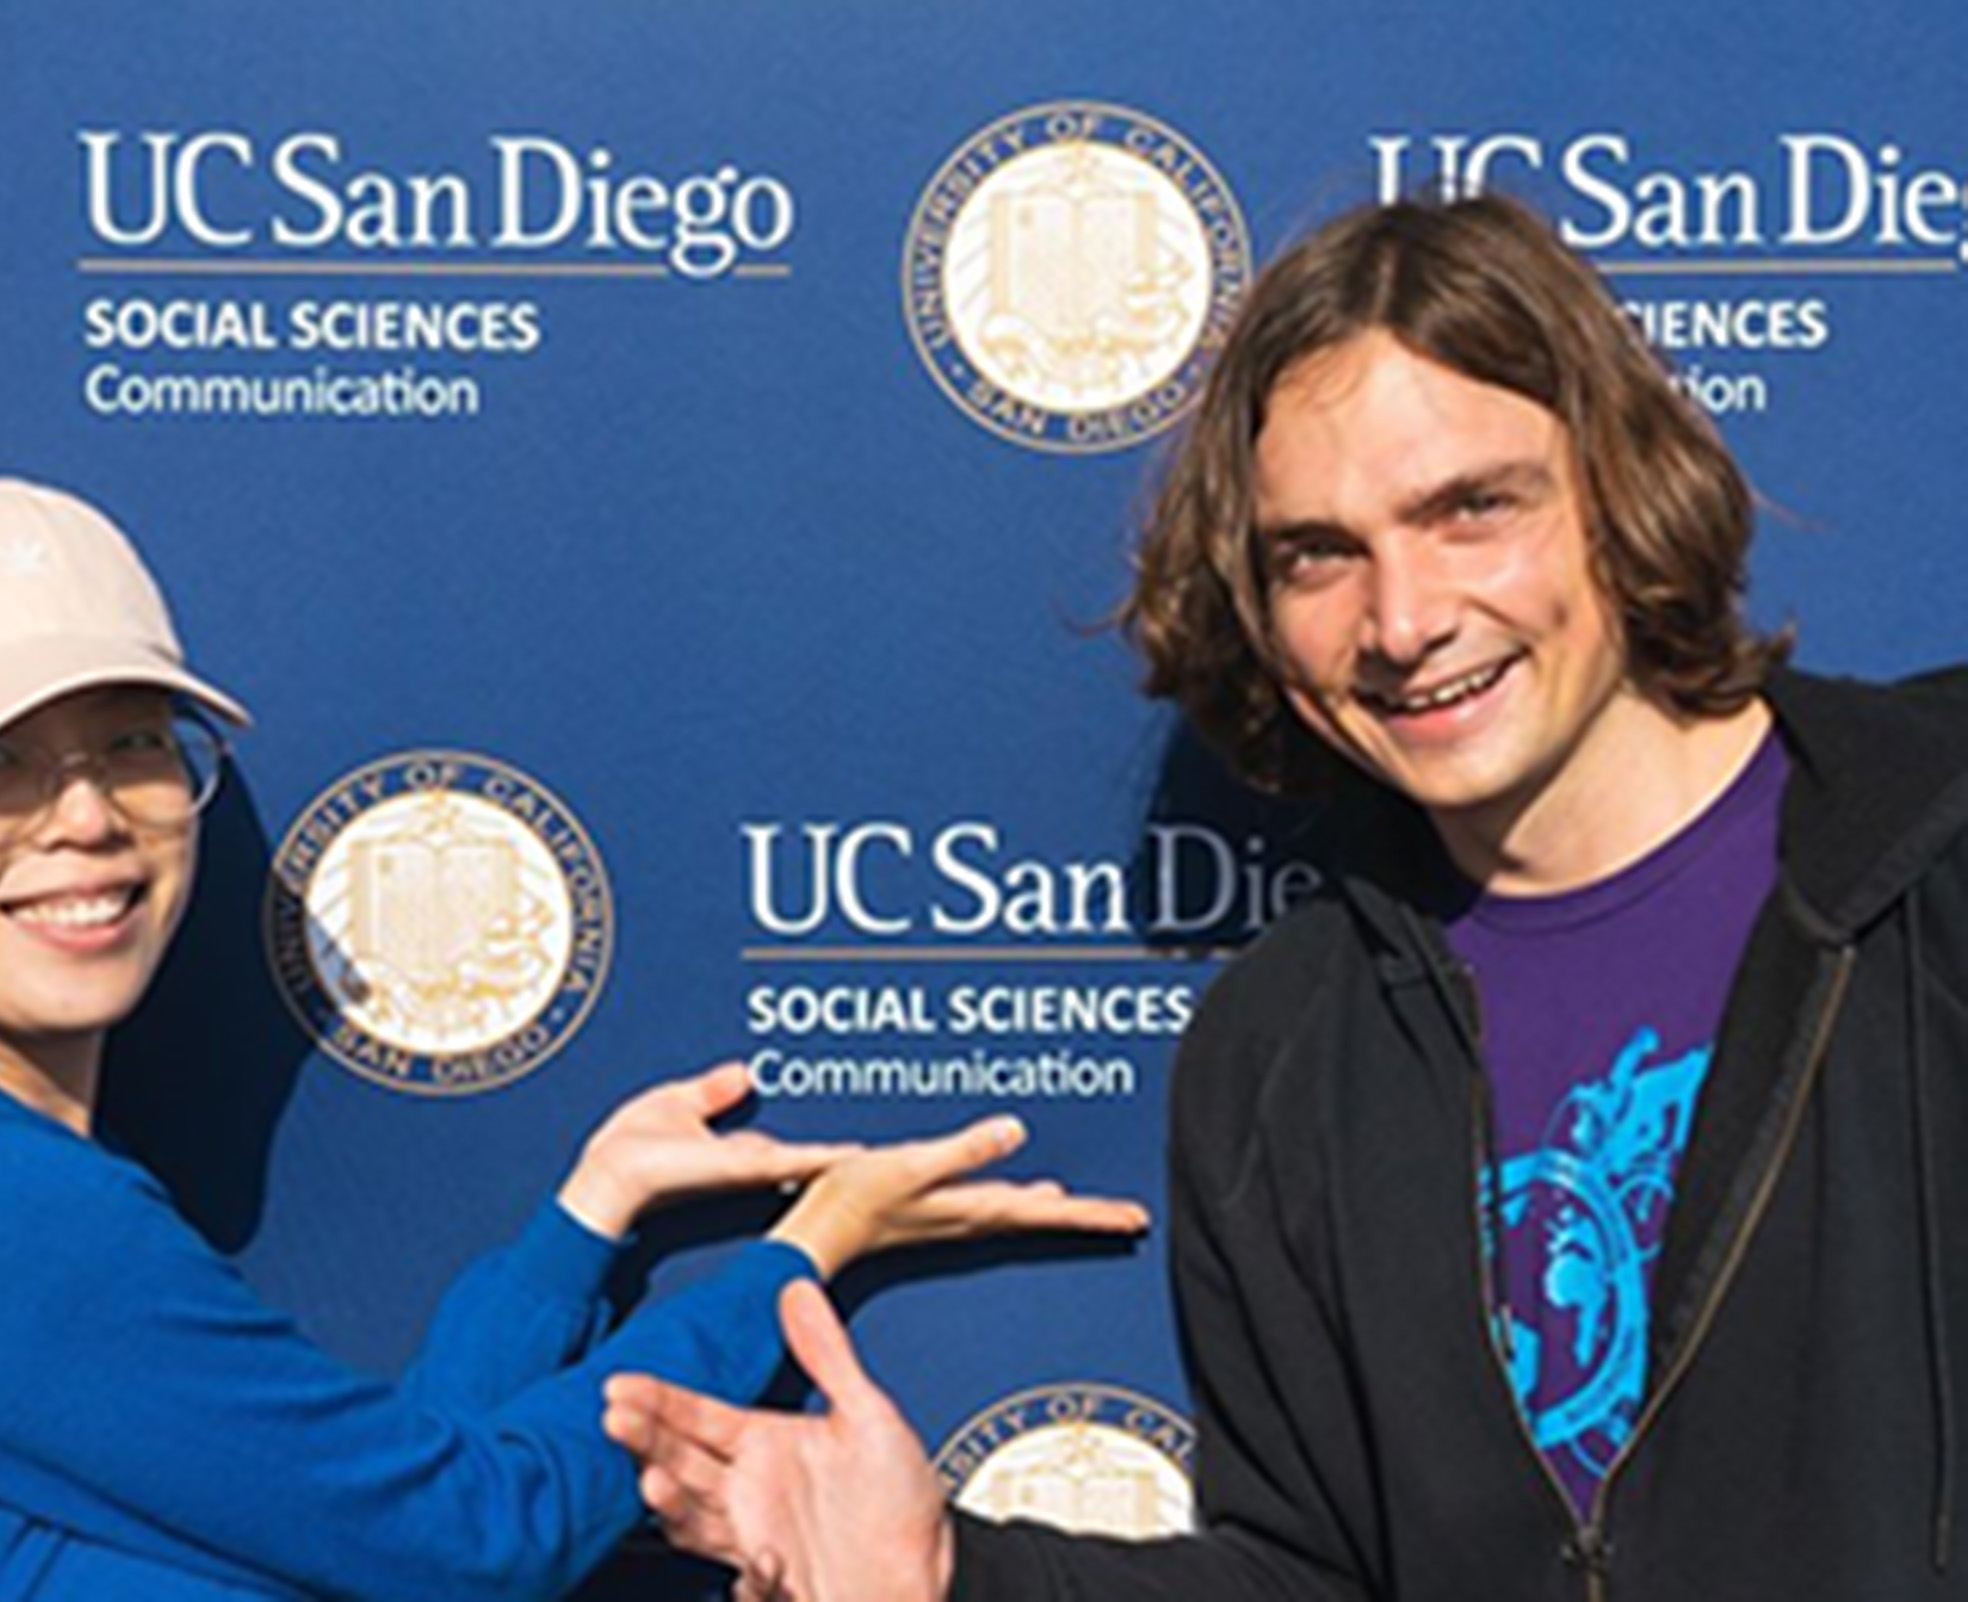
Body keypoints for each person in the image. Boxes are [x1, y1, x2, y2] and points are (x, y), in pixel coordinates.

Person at [604, 190, 1968, 1601]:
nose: (1402, 619)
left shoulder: (1936, 847)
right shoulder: (1281, 1049)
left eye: (1470, 509)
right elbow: (1309, 1577)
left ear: (1623, 490)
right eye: (1317, 552)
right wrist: (956, 1575)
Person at [0, 476, 1151, 1600]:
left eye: (125, 739)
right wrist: (794, 1258)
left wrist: (584, 1222)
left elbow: (366, 1510)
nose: (86, 814)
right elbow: (464, 1542)